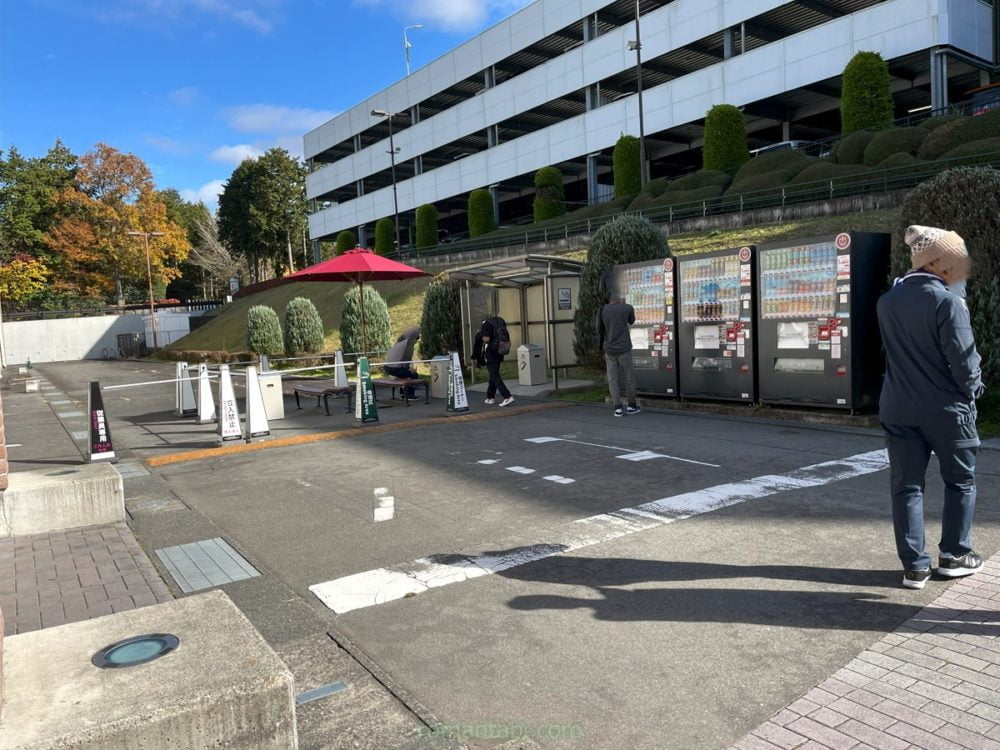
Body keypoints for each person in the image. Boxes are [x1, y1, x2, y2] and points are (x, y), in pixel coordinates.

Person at [877, 225, 986, 590]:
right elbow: (964, 361)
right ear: (939, 262)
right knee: (960, 482)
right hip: (947, 411)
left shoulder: (887, 301)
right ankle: (954, 555)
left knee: (906, 486)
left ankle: (914, 567)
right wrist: (974, 391)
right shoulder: (946, 302)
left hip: (898, 407)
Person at [597, 286, 640, 417]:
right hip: (624, 348)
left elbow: (598, 329)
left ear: (609, 299)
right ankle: (631, 406)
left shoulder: (602, 309)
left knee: (612, 379)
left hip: (609, 349)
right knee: (629, 377)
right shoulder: (628, 307)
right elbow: (632, 321)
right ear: (621, 298)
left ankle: (618, 408)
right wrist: (625, 304)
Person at [473, 315, 514, 407]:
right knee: (493, 373)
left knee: (494, 374)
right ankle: (490, 397)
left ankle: (507, 396)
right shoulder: (500, 321)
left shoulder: (486, 324)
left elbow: (486, 339)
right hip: (501, 349)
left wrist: (480, 336)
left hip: (492, 352)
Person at [384, 325, 421, 398]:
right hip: (394, 368)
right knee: (413, 375)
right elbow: (407, 357)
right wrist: (410, 369)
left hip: (387, 367)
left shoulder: (400, 341)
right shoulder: (409, 343)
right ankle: (409, 395)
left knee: (404, 374)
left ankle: (403, 394)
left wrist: (407, 368)